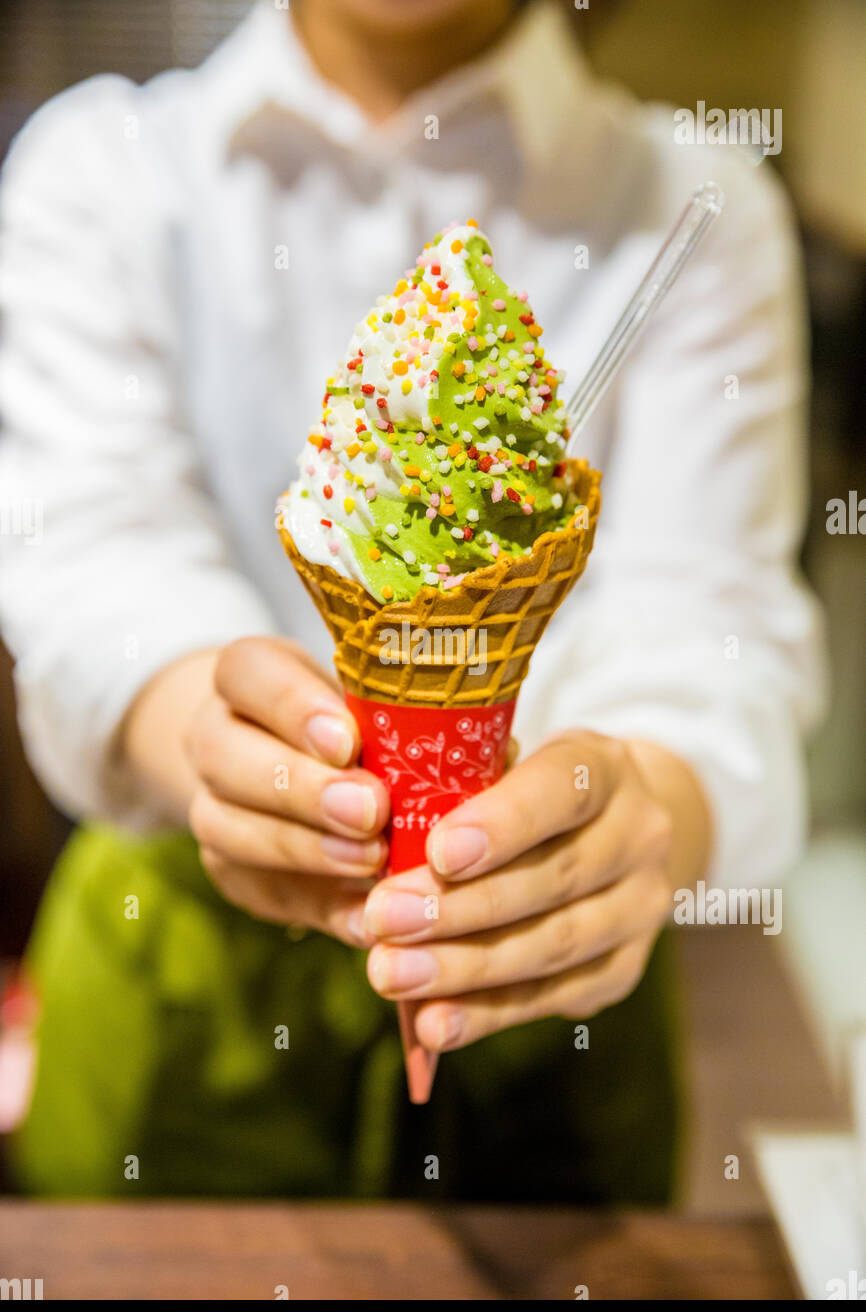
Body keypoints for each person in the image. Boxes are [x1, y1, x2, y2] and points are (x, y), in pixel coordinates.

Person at [0, 0, 823, 1200]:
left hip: (557, 1022)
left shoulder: (699, 206)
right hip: (171, 1011)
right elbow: (87, 562)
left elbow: (708, 631)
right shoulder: (102, 171)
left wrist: (645, 811)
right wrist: (205, 730)